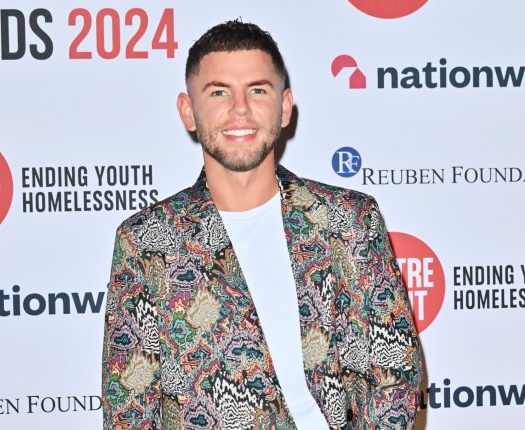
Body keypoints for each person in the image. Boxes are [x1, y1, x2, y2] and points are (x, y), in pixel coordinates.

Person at [102, 19, 422, 430]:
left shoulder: (348, 220)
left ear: (284, 107)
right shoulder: (147, 241)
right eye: (219, 92)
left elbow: (394, 376)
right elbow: (129, 410)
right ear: (188, 111)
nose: (240, 109)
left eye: (257, 90)